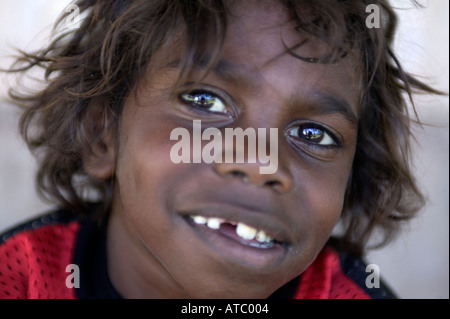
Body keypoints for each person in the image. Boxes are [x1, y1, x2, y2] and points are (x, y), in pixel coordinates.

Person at [0, 0, 443, 299]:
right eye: (205, 101)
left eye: (313, 135)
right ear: (102, 134)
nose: (260, 163)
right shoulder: (20, 276)